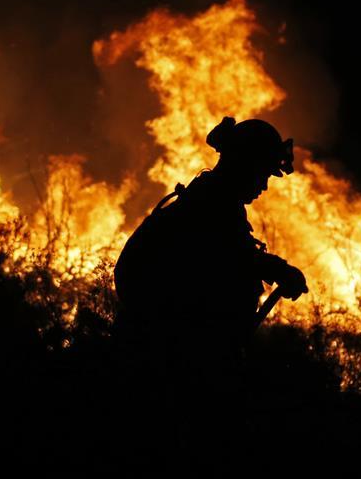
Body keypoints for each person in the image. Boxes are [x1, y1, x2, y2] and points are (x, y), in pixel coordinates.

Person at [112, 116, 308, 471]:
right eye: (262, 173)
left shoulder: (213, 202)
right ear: (243, 164)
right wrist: (277, 269)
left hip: (179, 351)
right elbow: (225, 253)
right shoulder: (209, 205)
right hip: (175, 360)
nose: (264, 185)